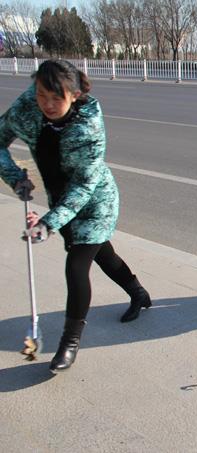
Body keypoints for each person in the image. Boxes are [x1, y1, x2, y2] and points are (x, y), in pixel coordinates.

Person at [0, 60, 152, 372]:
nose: (47, 104)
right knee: (105, 255)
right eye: (42, 95)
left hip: (95, 202)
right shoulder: (27, 107)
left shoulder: (89, 126)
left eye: (56, 98)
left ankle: (69, 343)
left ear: (74, 95)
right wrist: (15, 178)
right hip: (61, 199)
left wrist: (48, 223)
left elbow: (84, 185)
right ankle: (139, 293)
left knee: (77, 265)